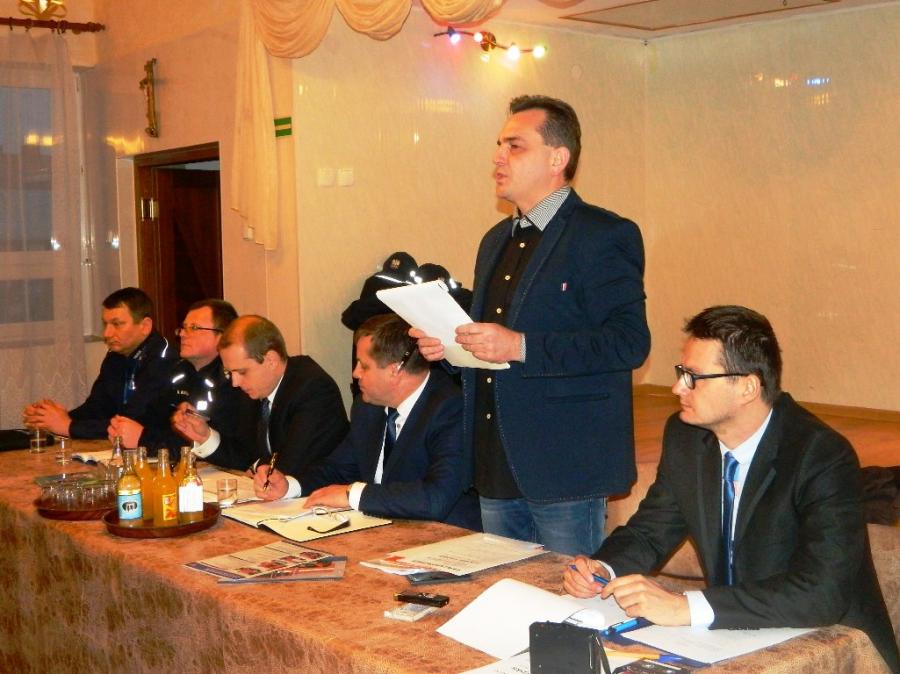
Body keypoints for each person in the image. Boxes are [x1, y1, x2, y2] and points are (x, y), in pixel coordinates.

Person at [564, 306, 899, 673]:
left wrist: (685, 606)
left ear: (747, 387)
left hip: (833, 645)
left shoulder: (819, 454)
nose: (678, 388)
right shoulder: (687, 436)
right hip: (735, 631)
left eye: (694, 377)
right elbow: (650, 532)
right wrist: (603, 568)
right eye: (681, 372)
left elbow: (822, 593)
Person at [412, 95, 650, 555]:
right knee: (505, 588)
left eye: (515, 146)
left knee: (566, 592)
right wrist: (450, 349)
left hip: (563, 463)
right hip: (494, 459)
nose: (498, 157)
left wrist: (520, 346)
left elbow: (628, 342)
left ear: (557, 159)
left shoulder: (602, 234)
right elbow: (491, 346)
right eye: (499, 145)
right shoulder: (494, 240)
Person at [254, 315, 481, 530]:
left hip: (446, 537)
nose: (355, 373)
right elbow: (338, 468)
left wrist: (352, 495)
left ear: (395, 369)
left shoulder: (452, 408)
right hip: (383, 531)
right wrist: (289, 486)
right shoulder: (367, 407)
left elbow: (435, 498)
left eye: (364, 365)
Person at [172, 315, 348, 475]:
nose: (235, 382)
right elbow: (244, 453)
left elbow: (291, 465)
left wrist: (254, 466)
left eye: (242, 372)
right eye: (229, 373)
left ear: (270, 360)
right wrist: (204, 436)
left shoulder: (312, 388)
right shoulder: (256, 390)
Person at [22, 287, 177, 439]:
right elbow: (97, 408)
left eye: (117, 324)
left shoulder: (164, 360)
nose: (107, 333)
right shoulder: (116, 355)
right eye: (105, 324)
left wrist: (67, 426)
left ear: (145, 326)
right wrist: (51, 419)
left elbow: (132, 421)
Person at [108, 299, 243, 453]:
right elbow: (151, 417)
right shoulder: (178, 370)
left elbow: (211, 444)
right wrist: (122, 428)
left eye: (194, 328)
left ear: (222, 336)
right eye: (183, 328)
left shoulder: (233, 381)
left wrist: (143, 439)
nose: (183, 334)